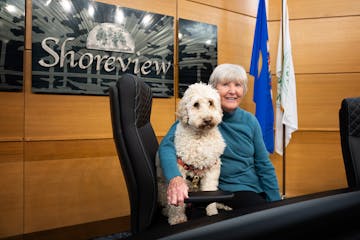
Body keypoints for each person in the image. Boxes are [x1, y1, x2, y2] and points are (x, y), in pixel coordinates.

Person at [158, 63, 281, 211]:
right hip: (218, 191)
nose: (232, 91)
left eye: (238, 85)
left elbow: (263, 164)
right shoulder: (196, 119)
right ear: (213, 89)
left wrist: (276, 202)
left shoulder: (250, 121)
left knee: (274, 218)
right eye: (225, 85)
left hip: (250, 188)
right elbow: (166, 146)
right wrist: (175, 178)